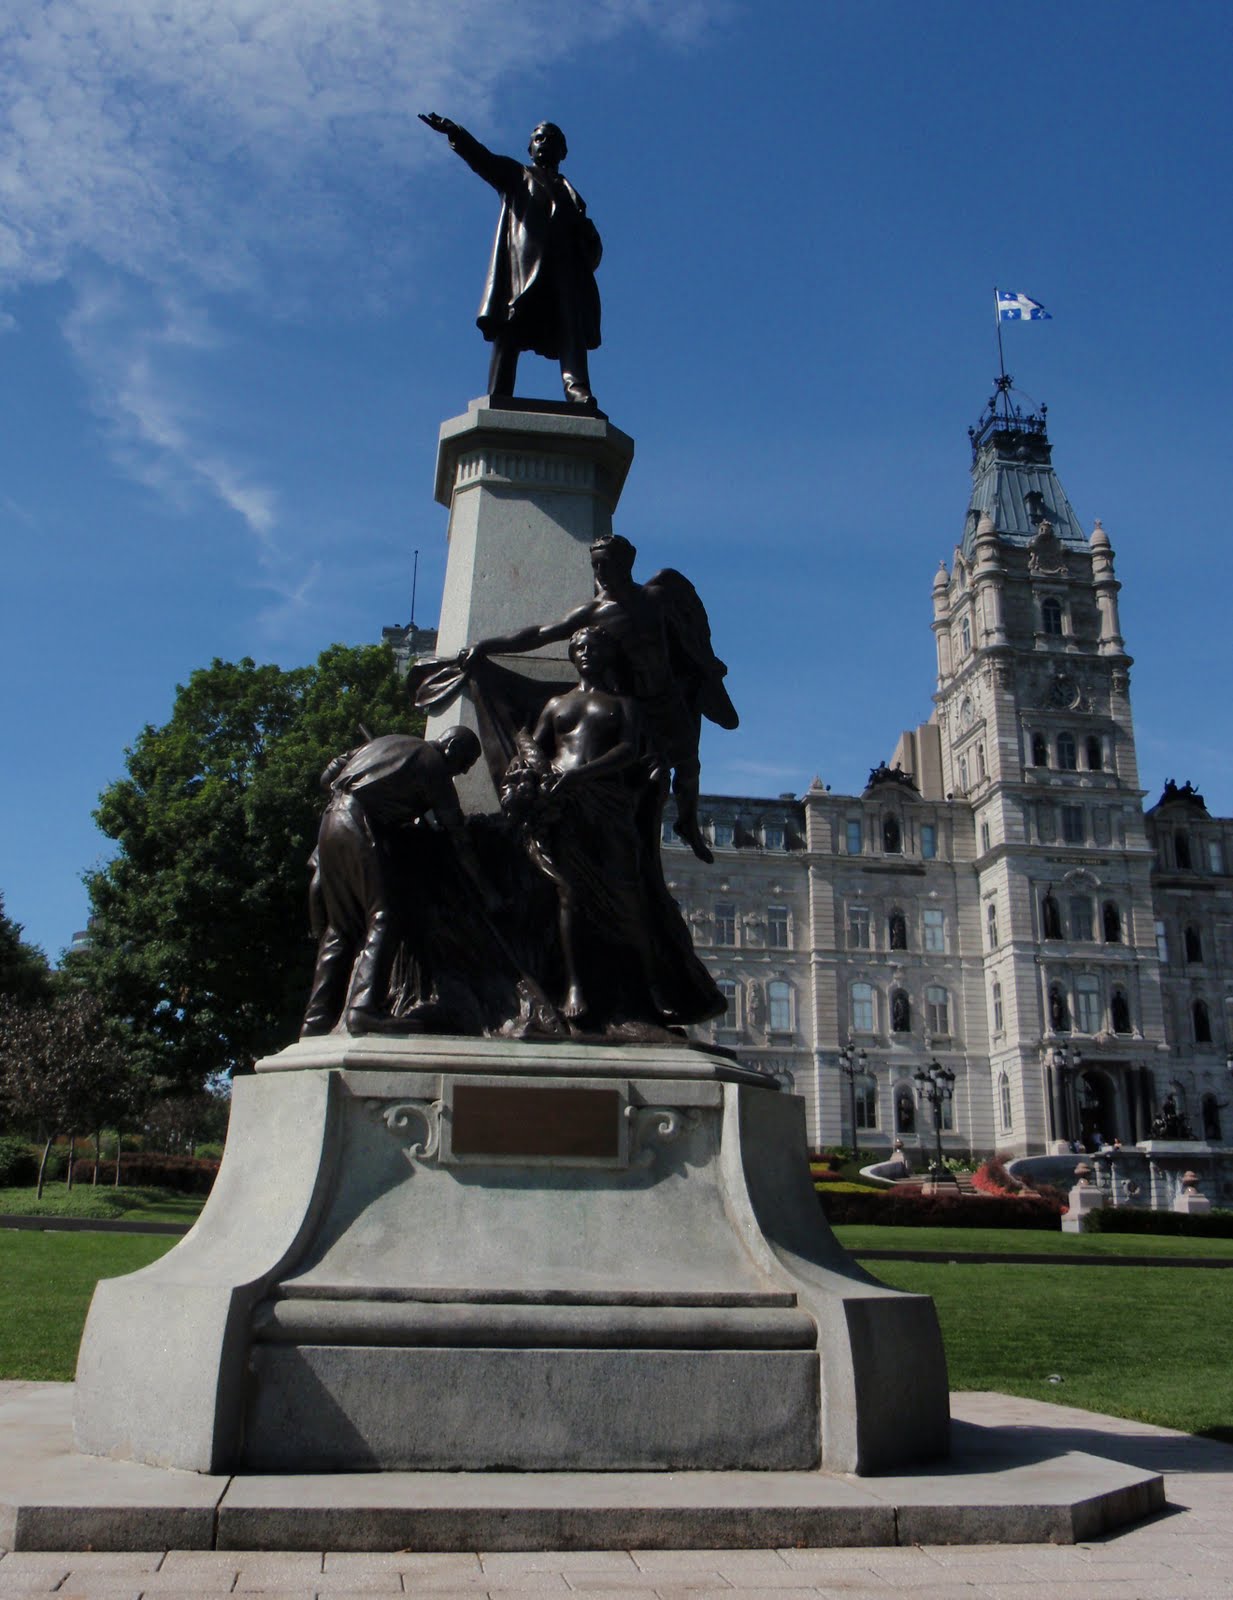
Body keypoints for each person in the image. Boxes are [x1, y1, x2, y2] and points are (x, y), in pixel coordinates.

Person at [461, 533, 737, 863]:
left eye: (607, 563)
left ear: (627, 563)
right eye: (596, 564)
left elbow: (688, 634)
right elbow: (540, 633)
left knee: (689, 766)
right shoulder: (593, 612)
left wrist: (703, 665)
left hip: (668, 698)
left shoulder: (657, 597)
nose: (601, 570)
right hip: (631, 706)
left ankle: (688, 823)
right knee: (652, 780)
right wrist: (487, 645)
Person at [499, 627, 723, 1031]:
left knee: (628, 901)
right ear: (572, 655)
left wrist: (580, 776)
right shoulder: (556, 704)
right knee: (568, 894)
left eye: (595, 647)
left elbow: (627, 750)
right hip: (564, 808)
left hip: (607, 806)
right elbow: (535, 745)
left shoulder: (623, 704)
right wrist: (537, 772)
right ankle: (574, 986)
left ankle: (648, 989)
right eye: (580, 647)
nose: (586, 653)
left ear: (608, 655)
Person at [301, 727, 489, 1037]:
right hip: (358, 822)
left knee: (341, 929)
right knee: (384, 916)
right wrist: (486, 890)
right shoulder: (432, 763)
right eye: (466, 762)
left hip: (330, 823)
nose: (463, 771)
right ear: (452, 745)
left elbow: (328, 776)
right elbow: (457, 833)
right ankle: (363, 1010)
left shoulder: (384, 744)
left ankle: (316, 1020)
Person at [419, 113, 602, 406]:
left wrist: (590, 240)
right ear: (530, 148)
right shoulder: (517, 176)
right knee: (511, 326)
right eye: (538, 138)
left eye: (551, 139)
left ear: (563, 152)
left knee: (571, 328)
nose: (544, 143)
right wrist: (457, 134)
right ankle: (499, 392)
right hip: (524, 267)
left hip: (565, 269)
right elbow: (484, 160)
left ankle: (576, 389)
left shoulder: (572, 194)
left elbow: (590, 244)